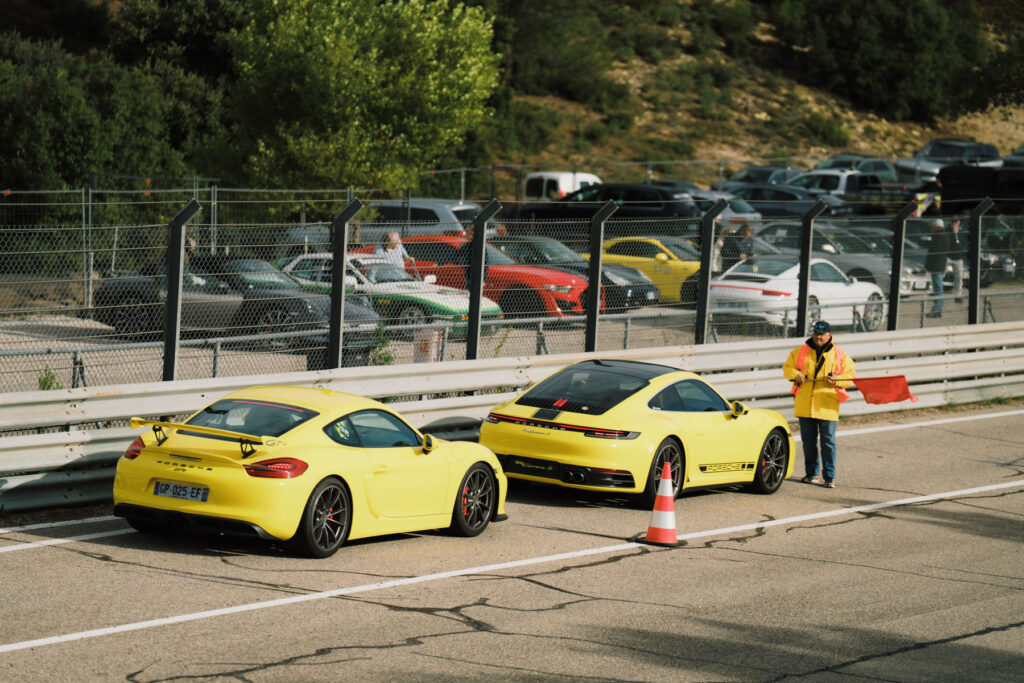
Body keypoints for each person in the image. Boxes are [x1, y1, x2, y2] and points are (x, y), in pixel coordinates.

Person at [783, 320, 856, 488]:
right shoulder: (800, 351)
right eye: (816, 333)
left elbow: (851, 376)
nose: (818, 336)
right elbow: (787, 367)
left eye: (822, 334)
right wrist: (796, 374)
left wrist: (836, 380)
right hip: (805, 404)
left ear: (829, 335)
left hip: (827, 404)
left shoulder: (839, 354)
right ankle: (811, 474)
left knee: (828, 441)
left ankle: (829, 476)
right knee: (808, 442)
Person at [924, 217, 952, 318]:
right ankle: (937, 309)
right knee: (938, 287)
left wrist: (928, 264)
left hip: (936, 266)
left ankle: (937, 309)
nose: (931, 228)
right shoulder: (944, 236)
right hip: (941, 264)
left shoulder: (938, 236)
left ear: (936, 226)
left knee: (938, 287)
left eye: (933, 226)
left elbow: (933, 252)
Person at [949, 218, 965, 303]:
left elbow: (963, 243)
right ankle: (936, 293)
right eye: (953, 222)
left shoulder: (961, 232)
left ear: (959, 222)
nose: (954, 224)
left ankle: (958, 295)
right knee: (940, 274)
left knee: (959, 277)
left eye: (956, 222)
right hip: (948, 257)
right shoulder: (947, 231)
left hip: (958, 257)